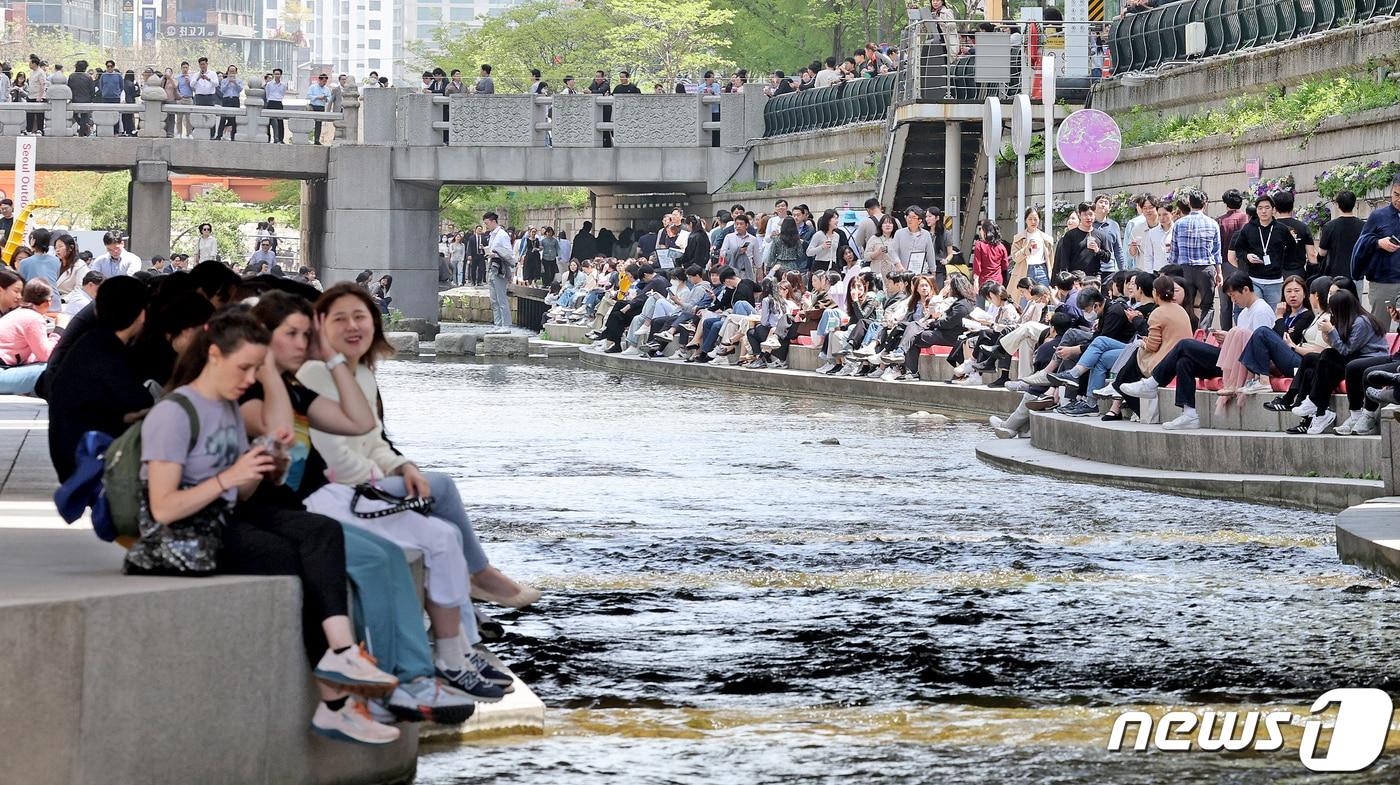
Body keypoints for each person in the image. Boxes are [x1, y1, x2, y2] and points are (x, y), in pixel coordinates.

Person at [141, 307, 401, 744]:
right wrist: (231, 476)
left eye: (256, 370)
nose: (249, 380)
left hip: (222, 520)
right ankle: (337, 697)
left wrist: (261, 469)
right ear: (213, 356)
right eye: (246, 368)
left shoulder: (224, 408)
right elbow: (163, 508)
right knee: (300, 557)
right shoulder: (174, 413)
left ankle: (341, 658)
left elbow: (236, 493)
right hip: (182, 537)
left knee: (320, 531)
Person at [242, 292, 489, 718]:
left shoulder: (299, 386)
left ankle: (421, 673)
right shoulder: (251, 392)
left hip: (314, 502)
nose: (303, 345)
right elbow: (279, 431)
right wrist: (269, 370)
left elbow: (361, 423)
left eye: (307, 335)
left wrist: (334, 360)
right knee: (381, 560)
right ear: (263, 337)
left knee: (417, 546)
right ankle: (400, 683)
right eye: (293, 335)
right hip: (282, 512)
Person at [46, 277, 151, 480]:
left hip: (72, 451)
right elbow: (141, 401)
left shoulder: (91, 342)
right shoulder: (108, 351)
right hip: (89, 460)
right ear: (141, 314)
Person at [1352, 173, 1400, 333]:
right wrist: (1379, 243)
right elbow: (1361, 243)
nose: (1398, 200)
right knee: (1379, 330)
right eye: (1396, 195)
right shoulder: (1378, 216)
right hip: (1382, 282)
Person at [1166, 189, 1222, 323]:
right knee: (1207, 305)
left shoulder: (1179, 223)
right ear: (1205, 204)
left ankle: (1186, 330)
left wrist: (1171, 271)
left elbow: (1174, 251)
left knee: (1184, 304)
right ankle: (1203, 334)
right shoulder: (1213, 223)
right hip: (1206, 269)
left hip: (1184, 269)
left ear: (1189, 203)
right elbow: (1216, 251)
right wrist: (1219, 272)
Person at [0, 279, 57, 394]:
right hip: (2, 372)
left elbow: (31, 356)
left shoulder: (18, 313)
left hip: (5, 368)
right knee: (57, 366)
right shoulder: (33, 318)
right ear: (48, 302)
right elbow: (47, 356)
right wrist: (59, 330)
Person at [484, 212, 516, 328]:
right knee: (494, 300)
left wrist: (495, 255)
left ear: (493, 221)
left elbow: (509, 254)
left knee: (501, 299)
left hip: (500, 269)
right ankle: (497, 325)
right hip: (491, 268)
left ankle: (506, 325)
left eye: (487, 223)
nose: (486, 226)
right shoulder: (492, 235)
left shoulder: (502, 235)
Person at [1010, 207, 1053, 287]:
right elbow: (1015, 258)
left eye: (1035, 219)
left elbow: (1051, 259)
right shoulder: (1018, 238)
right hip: (1025, 270)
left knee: (1043, 296)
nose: (1033, 222)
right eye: (1030, 219)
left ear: (1039, 220)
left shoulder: (1046, 238)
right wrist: (1026, 249)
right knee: (1025, 297)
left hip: (1042, 269)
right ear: (1026, 220)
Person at [18, 228, 61, 294]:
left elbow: (21, 284)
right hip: (54, 299)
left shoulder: (24, 262)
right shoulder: (56, 260)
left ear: (33, 241)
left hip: (35, 300)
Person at [214, 65, 243, 141]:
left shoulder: (239, 80)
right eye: (230, 71)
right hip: (226, 100)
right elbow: (223, 90)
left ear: (236, 72)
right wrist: (228, 82)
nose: (232, 73)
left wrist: (235, 82)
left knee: (234, 119)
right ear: (228, 72)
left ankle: (233, 136)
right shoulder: (224, 80)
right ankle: (219, 135)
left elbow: (240, 89)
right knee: (223, 118)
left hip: (235, 99)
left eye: (233, 72)